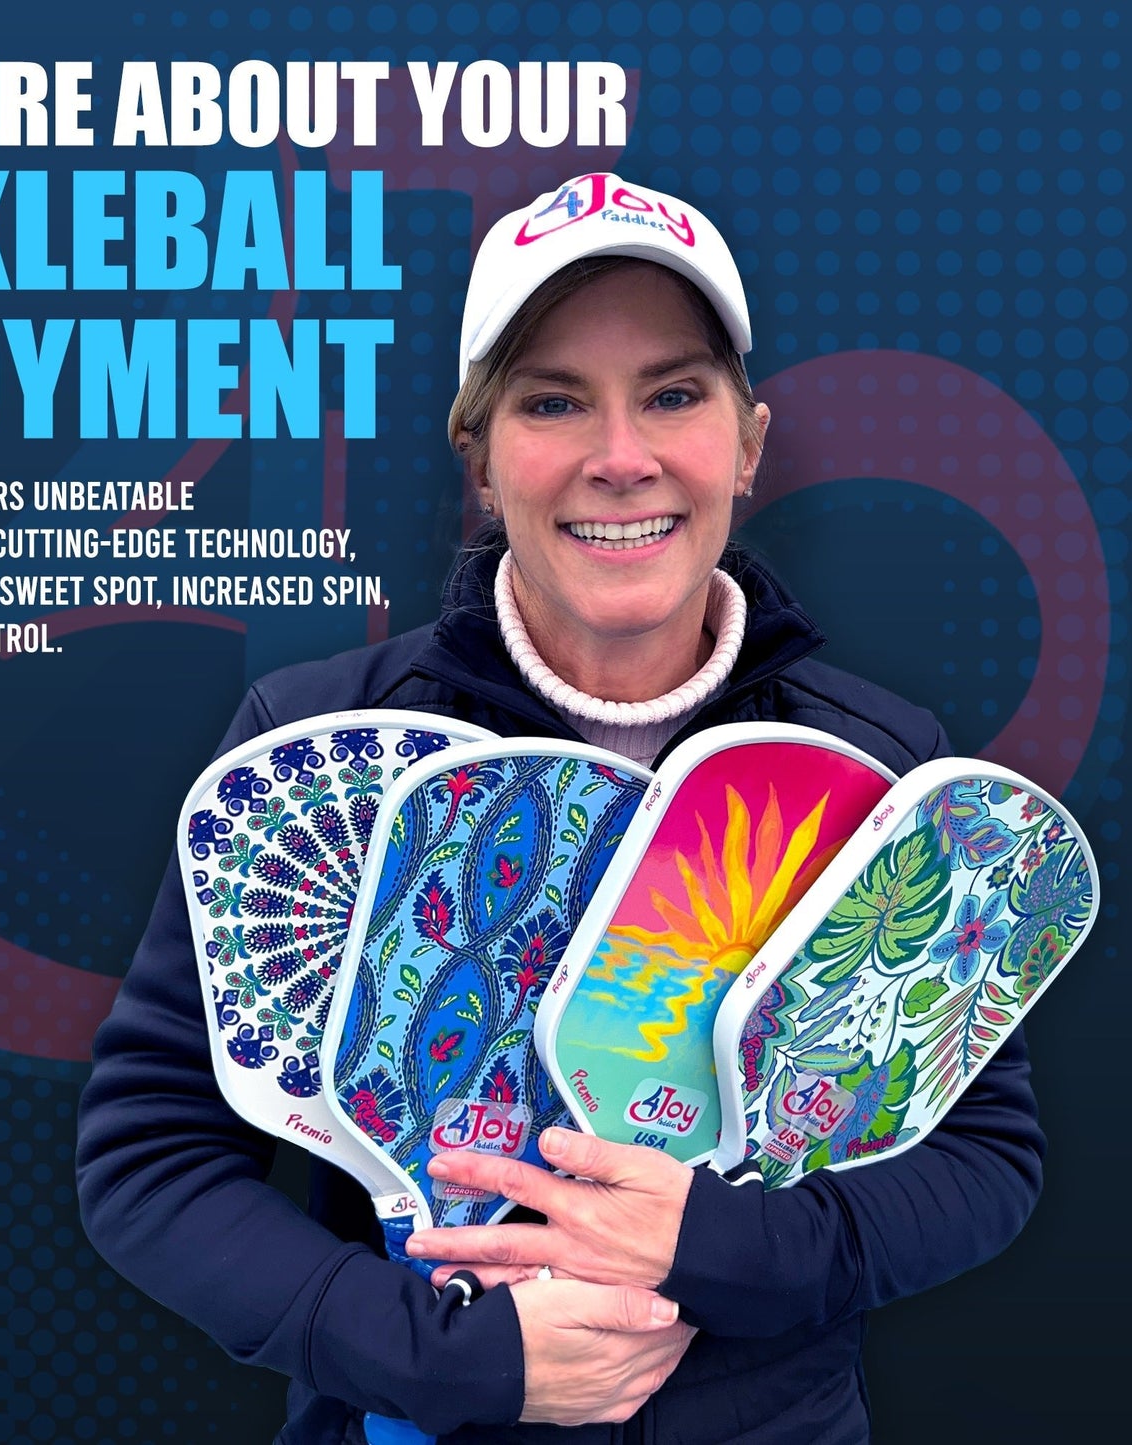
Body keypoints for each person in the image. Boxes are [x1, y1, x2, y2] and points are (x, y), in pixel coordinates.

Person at [76, 173, 1043, 1443]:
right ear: (478, 461)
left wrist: (721, 1243)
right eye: (551, 401)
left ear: (748, 445)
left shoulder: (871, 761)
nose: (620, 456)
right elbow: (150, 1159)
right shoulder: (315, 742)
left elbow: (981, 1157)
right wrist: (444, 1354)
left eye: (673, 393)